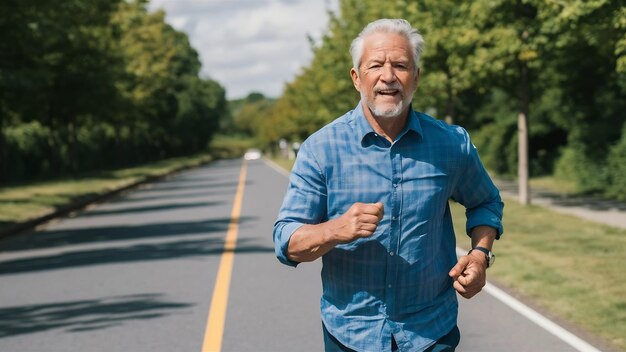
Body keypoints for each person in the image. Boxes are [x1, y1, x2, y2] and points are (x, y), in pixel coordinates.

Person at [273, 18, 503, 352]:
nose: (388, 76)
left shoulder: (452, 145)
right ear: (356, 78)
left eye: (400, 65)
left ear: (417, 77)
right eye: (375, 65)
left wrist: (481, 254)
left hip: (430, 332)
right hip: (350, 334)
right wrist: (336, 229)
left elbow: (486, 202)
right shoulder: (320, 149)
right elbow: (287, 241)